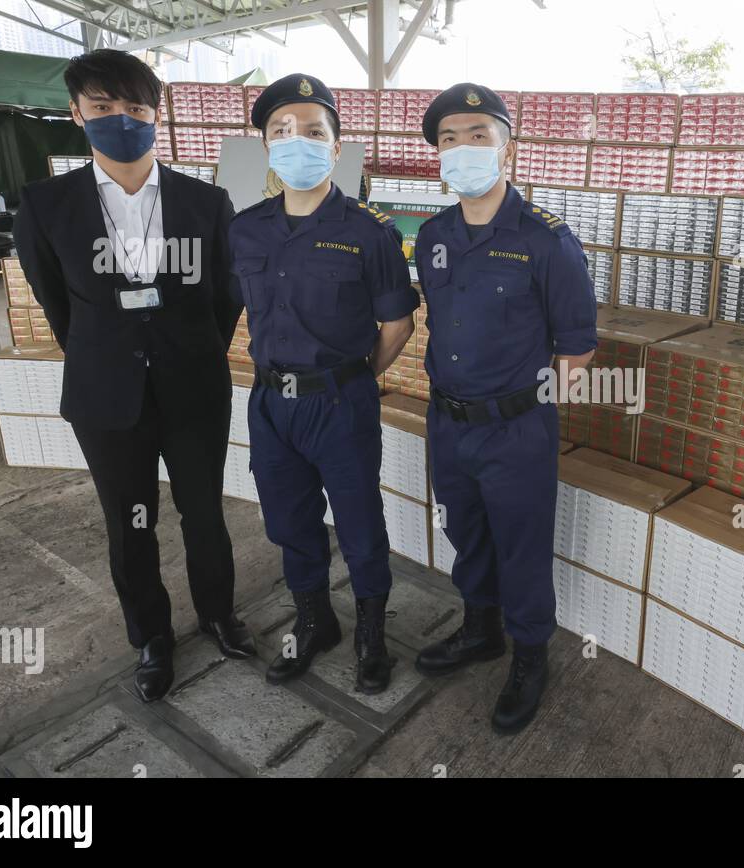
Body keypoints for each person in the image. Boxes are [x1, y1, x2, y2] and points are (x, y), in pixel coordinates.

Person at [13, 49, 253, 703]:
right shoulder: (46, 205)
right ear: (76, 113)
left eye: (137, 108)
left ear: (156, 114)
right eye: (103, 107)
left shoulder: (205, 202)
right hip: (106, 393)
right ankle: (151, 635)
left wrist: (190, 349)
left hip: (193, 389)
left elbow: (226, 297)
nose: (122, 119)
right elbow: (55, 301)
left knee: (204, 512)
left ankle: (218, 614)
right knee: (133, 518)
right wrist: (105, 350)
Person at [414, 83, 598, 734]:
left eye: (477, 137)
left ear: (508, 151)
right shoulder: (431, 235)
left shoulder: (548, 240)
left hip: (517, 426)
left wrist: (534, 417)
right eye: (448, 140)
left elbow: (575, 346)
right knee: (466, 533)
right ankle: (479, 631)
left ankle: (528, 656)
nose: (462, 150)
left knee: (521, 545)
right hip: (448, 422)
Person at [229, 74, 418, 693]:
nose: (297, 141)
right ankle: (315, 624)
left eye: (313, 131)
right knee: (289, 520)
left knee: (361, 524)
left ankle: (371, 635)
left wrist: (358, 376)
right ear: (266, 146)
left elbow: (397, 321)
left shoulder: (370, 231)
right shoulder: (248, 228)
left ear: (337, 148)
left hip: (340, 401)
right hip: (269, 403)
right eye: (281, 131)